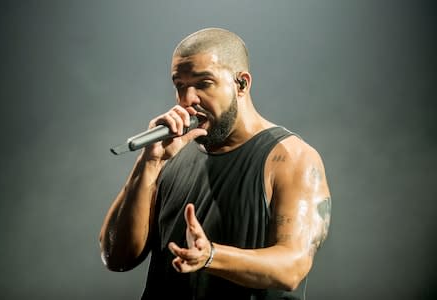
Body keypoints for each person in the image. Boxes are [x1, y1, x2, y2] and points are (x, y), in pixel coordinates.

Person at [99, 27, 331, 300]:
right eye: (180, 85)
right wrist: (148, 163)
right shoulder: (169, 154)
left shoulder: (291, 158)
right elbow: (116, 257)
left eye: (203, 83)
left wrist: (211, 256)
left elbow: (292, 268)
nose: (188, 100)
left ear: (241, 84)